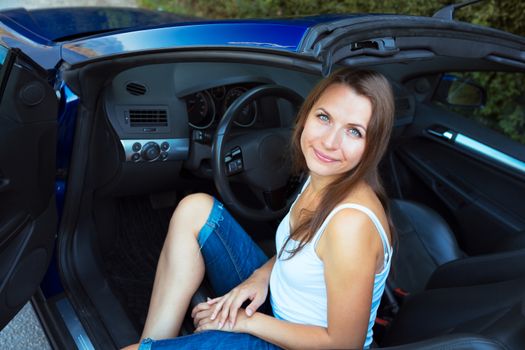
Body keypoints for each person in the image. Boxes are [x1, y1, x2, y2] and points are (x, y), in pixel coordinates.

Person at [123, 67, 395, 350]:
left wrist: (244, 321)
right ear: (306, 115)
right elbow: (303, 252)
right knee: (195, 208)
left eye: (354, 131)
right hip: (278, 309)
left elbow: (343, 345)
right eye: (324, 117)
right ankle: (151, 343)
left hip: (302, 345)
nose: (329, 142)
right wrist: (260, 277)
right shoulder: (324, 176)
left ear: (372, 145)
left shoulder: (350, 224)